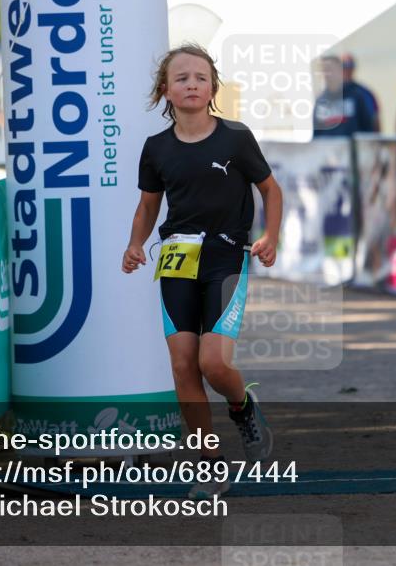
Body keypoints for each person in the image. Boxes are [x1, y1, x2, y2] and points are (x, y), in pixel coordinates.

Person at [122, 44, 283, 500]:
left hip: (226, 258)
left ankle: (242, 406)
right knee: (182, 364)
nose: (191, 84)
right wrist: (135, 245)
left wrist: (269, 236)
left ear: (213, 87)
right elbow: (148, 205)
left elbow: (270, 190)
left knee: (213, 363)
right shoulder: (156, 148)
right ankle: (209, 466)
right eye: (181, 78)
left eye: (200, 77)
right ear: (165, 90)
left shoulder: (235, 138)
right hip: (176, 258)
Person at [313, 55, 379, 136]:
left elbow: (369, 127)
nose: (328, 75)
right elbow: (316, 135)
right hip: (327, 148)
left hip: (351, 147)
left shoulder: (357, 96)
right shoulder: (320, 101)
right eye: (325, 71)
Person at [342, 53, 380, 130]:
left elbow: (375, 120)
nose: (347, 69)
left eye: (350, 65)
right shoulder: (327, 96)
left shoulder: (365, 93)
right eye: (344, 65)